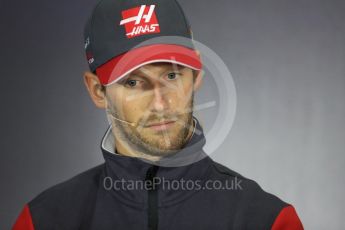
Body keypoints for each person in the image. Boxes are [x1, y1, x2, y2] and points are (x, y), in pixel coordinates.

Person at [13, 0, 304, 229]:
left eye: (172, 75)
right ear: (97, 91)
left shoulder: (266, 221)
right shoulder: (44, 220)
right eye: (133, 82)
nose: (161, 104)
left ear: (196, 73)